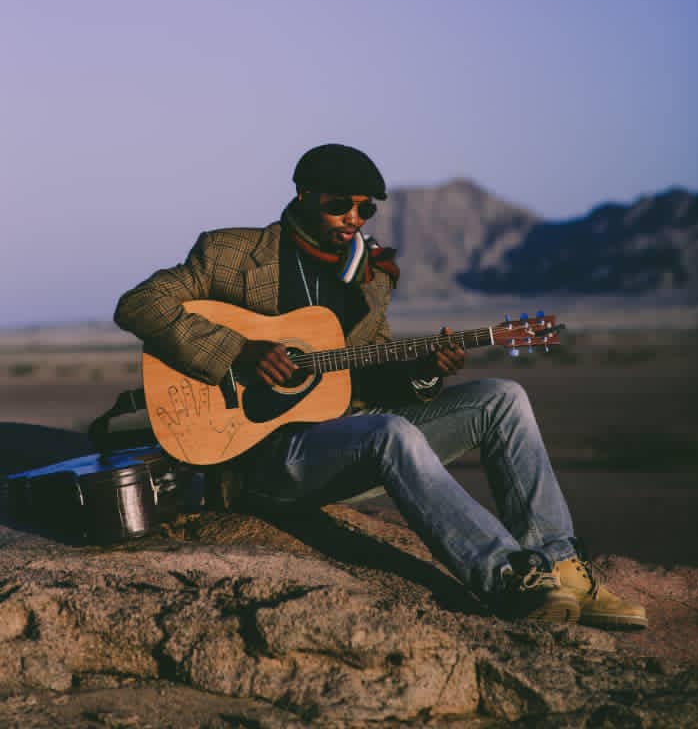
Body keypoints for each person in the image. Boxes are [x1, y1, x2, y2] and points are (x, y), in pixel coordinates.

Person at [114, 143, 646, 628]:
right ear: (304, 195)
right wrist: (241, 350)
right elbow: (139, 304)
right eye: (341, 204)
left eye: (366, 208)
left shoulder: (371, 276)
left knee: (504, 398)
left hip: (346, 444)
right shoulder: (231, 255)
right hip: (259, 458)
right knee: (389, 432)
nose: (353, 218)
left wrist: (426, 371)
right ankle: (508, 578)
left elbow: (371, 378)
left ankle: (560, 567)